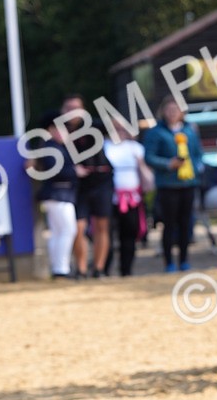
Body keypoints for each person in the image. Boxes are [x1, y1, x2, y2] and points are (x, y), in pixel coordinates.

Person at [143, 96, 202, 272]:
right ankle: (168, 262)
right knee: (169, 224)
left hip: (188, 183)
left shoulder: (190, 130)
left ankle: (184, 260)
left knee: (186, 224)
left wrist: (196, 169)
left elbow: (198, 153)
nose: (172, 113)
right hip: (168, 185)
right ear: (163, 112)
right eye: (169, 110)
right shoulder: (155, 132)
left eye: (175, 110)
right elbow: (149, 157)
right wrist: (168, 164)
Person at [60, 93, 114, 278]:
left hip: (101, 180)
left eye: (76, 108)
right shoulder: (59, 132)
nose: (72, 112)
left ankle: (99, 268)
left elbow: (116, 125)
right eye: (68, 108)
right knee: (77, 227)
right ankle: (81, 269)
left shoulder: (94, 126)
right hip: (78, 184)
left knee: (102, 225)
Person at [26, 110, 78, 278]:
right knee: (68, 230)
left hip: (58, 195)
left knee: (58, 231)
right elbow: (56, 171)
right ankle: (61, 269)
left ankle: (58, 267)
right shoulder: (51, 148)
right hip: (58, 194)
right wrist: (75, 171)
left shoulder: (53, 147)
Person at [104, 121, 152, 276]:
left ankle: (127, 269)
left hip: (132, 197)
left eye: (122, 128)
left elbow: (145, 172)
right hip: (110, 197)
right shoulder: (104, 146)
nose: (119, 132)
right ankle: (104, 268)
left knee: (130, 234)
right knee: (107, 234)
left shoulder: (135, 148)